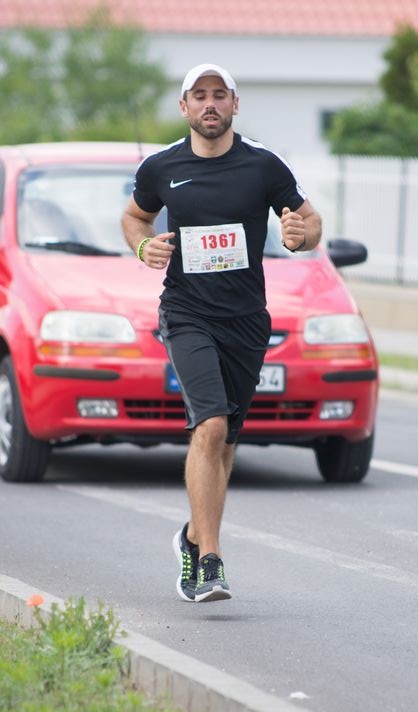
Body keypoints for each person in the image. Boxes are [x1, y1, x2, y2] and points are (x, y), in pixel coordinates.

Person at [121, 63, 322, 603]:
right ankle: (210, 562)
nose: (209, 104)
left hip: (247, 321)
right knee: (209, 425)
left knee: (226, 439)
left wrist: (299, 235)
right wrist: (143, 246)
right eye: (199, 95)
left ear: (235, 103)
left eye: (219, 94)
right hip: (187, 312)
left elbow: (310, 221)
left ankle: (192, 536)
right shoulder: (161, 167)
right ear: (184, 106)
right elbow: (135, 217)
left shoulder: (263, 165)